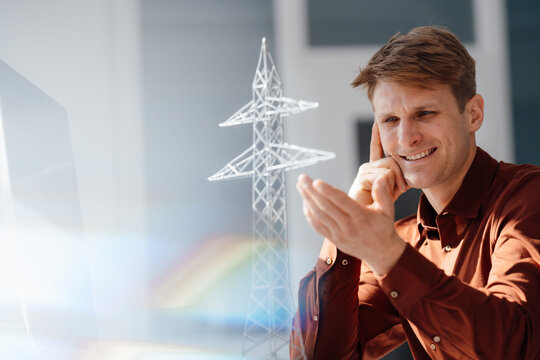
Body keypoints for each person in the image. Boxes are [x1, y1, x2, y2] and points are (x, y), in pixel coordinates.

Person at [291, 26, 540, 359]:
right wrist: (345, 240)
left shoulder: (529, 199)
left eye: (425, 113)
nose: (407, 138)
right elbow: (323, 355)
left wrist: (386, 253)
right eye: (391, 120)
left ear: (473, 114)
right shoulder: (404, 241)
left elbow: (513, 347)